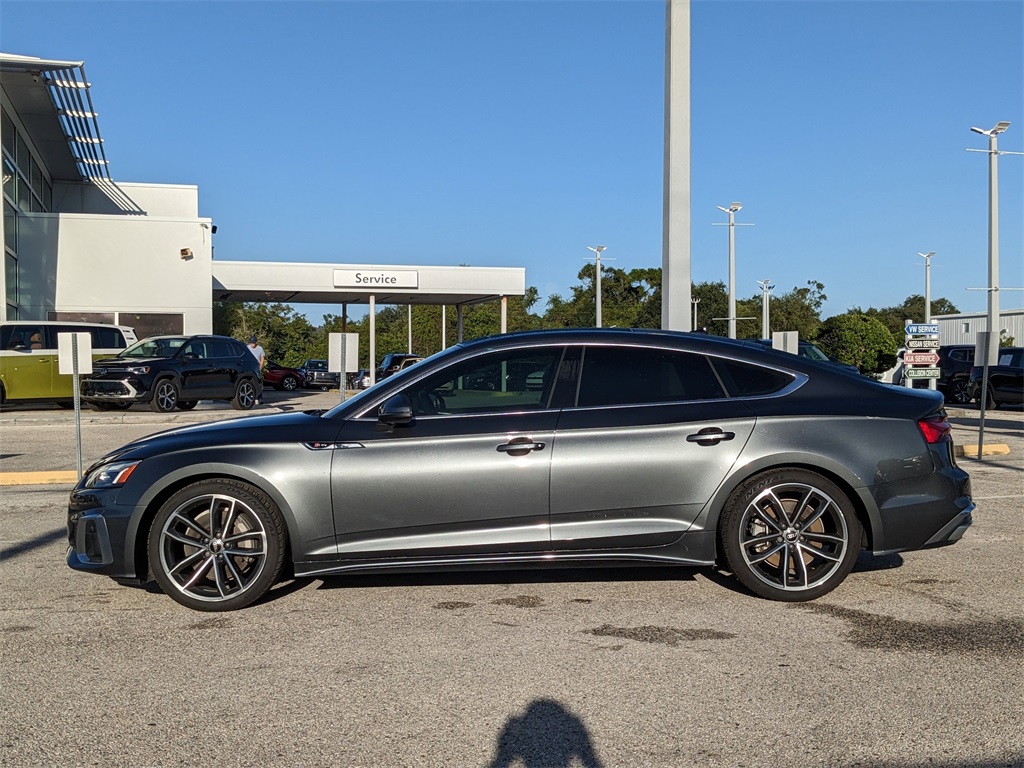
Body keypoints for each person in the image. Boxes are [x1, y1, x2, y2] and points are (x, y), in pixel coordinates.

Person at [247, 336, 266, 405]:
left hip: (257, 367)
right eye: (251, 343)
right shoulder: (247, 347)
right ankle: (250, 398)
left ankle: (259, 398)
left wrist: (260, 366)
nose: (252, 344)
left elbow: (262, 358)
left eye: (253, 343)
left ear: (256, 342)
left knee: (259, 383)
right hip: (249, 367)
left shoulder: (260, 348)